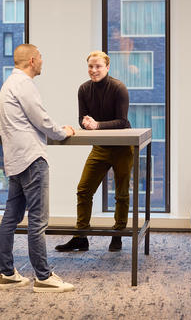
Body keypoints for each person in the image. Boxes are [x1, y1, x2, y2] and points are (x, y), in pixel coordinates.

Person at [0, 43, 75, 293]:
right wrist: (64, 132)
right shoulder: (24, 85)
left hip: (16, 160)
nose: (42, 61)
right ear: (32, 60)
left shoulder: (9, 84)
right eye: (40, 57)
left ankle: (7, 273)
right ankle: (43, 276)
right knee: (38, 222)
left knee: (11, 218)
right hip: (31, 160)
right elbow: (41, 119)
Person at [55, 50, 133, 253]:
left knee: (121, 194)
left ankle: (118, 235)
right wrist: (86, 123)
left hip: (123, 147)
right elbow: (82, 117)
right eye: (90, 66)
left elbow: (122, 122)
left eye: (98, 66)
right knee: (84, 189)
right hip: (100, 146)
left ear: (107, 67)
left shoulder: (119, 88)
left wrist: (97, 125)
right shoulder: (83, 89)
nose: (94, 70)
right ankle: (81, 236)